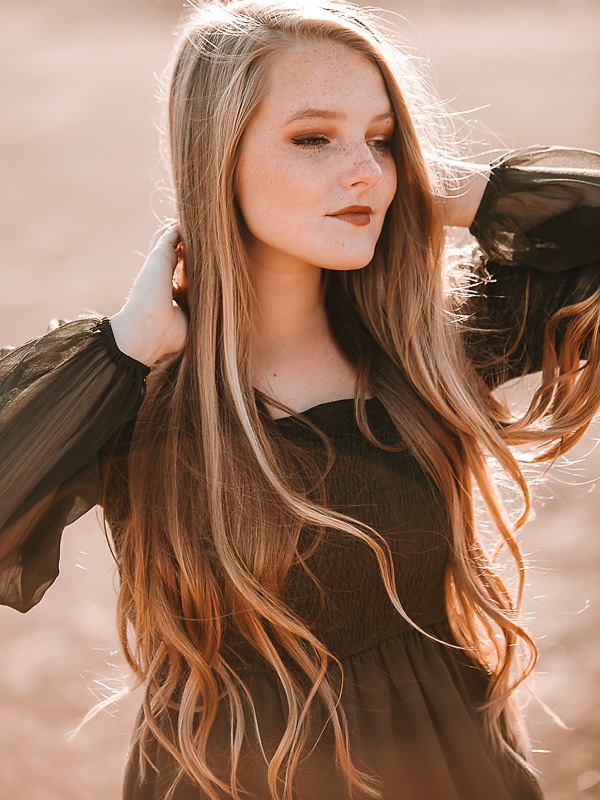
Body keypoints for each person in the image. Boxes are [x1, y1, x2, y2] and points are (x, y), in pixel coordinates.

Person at [0, 0, 599, 798]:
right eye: (313, 138)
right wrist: (126, 350)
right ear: (217, 156)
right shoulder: (134, 390)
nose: (365, 172)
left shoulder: (427, 345)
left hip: (452, 767)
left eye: (381, 139)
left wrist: (462, 191)